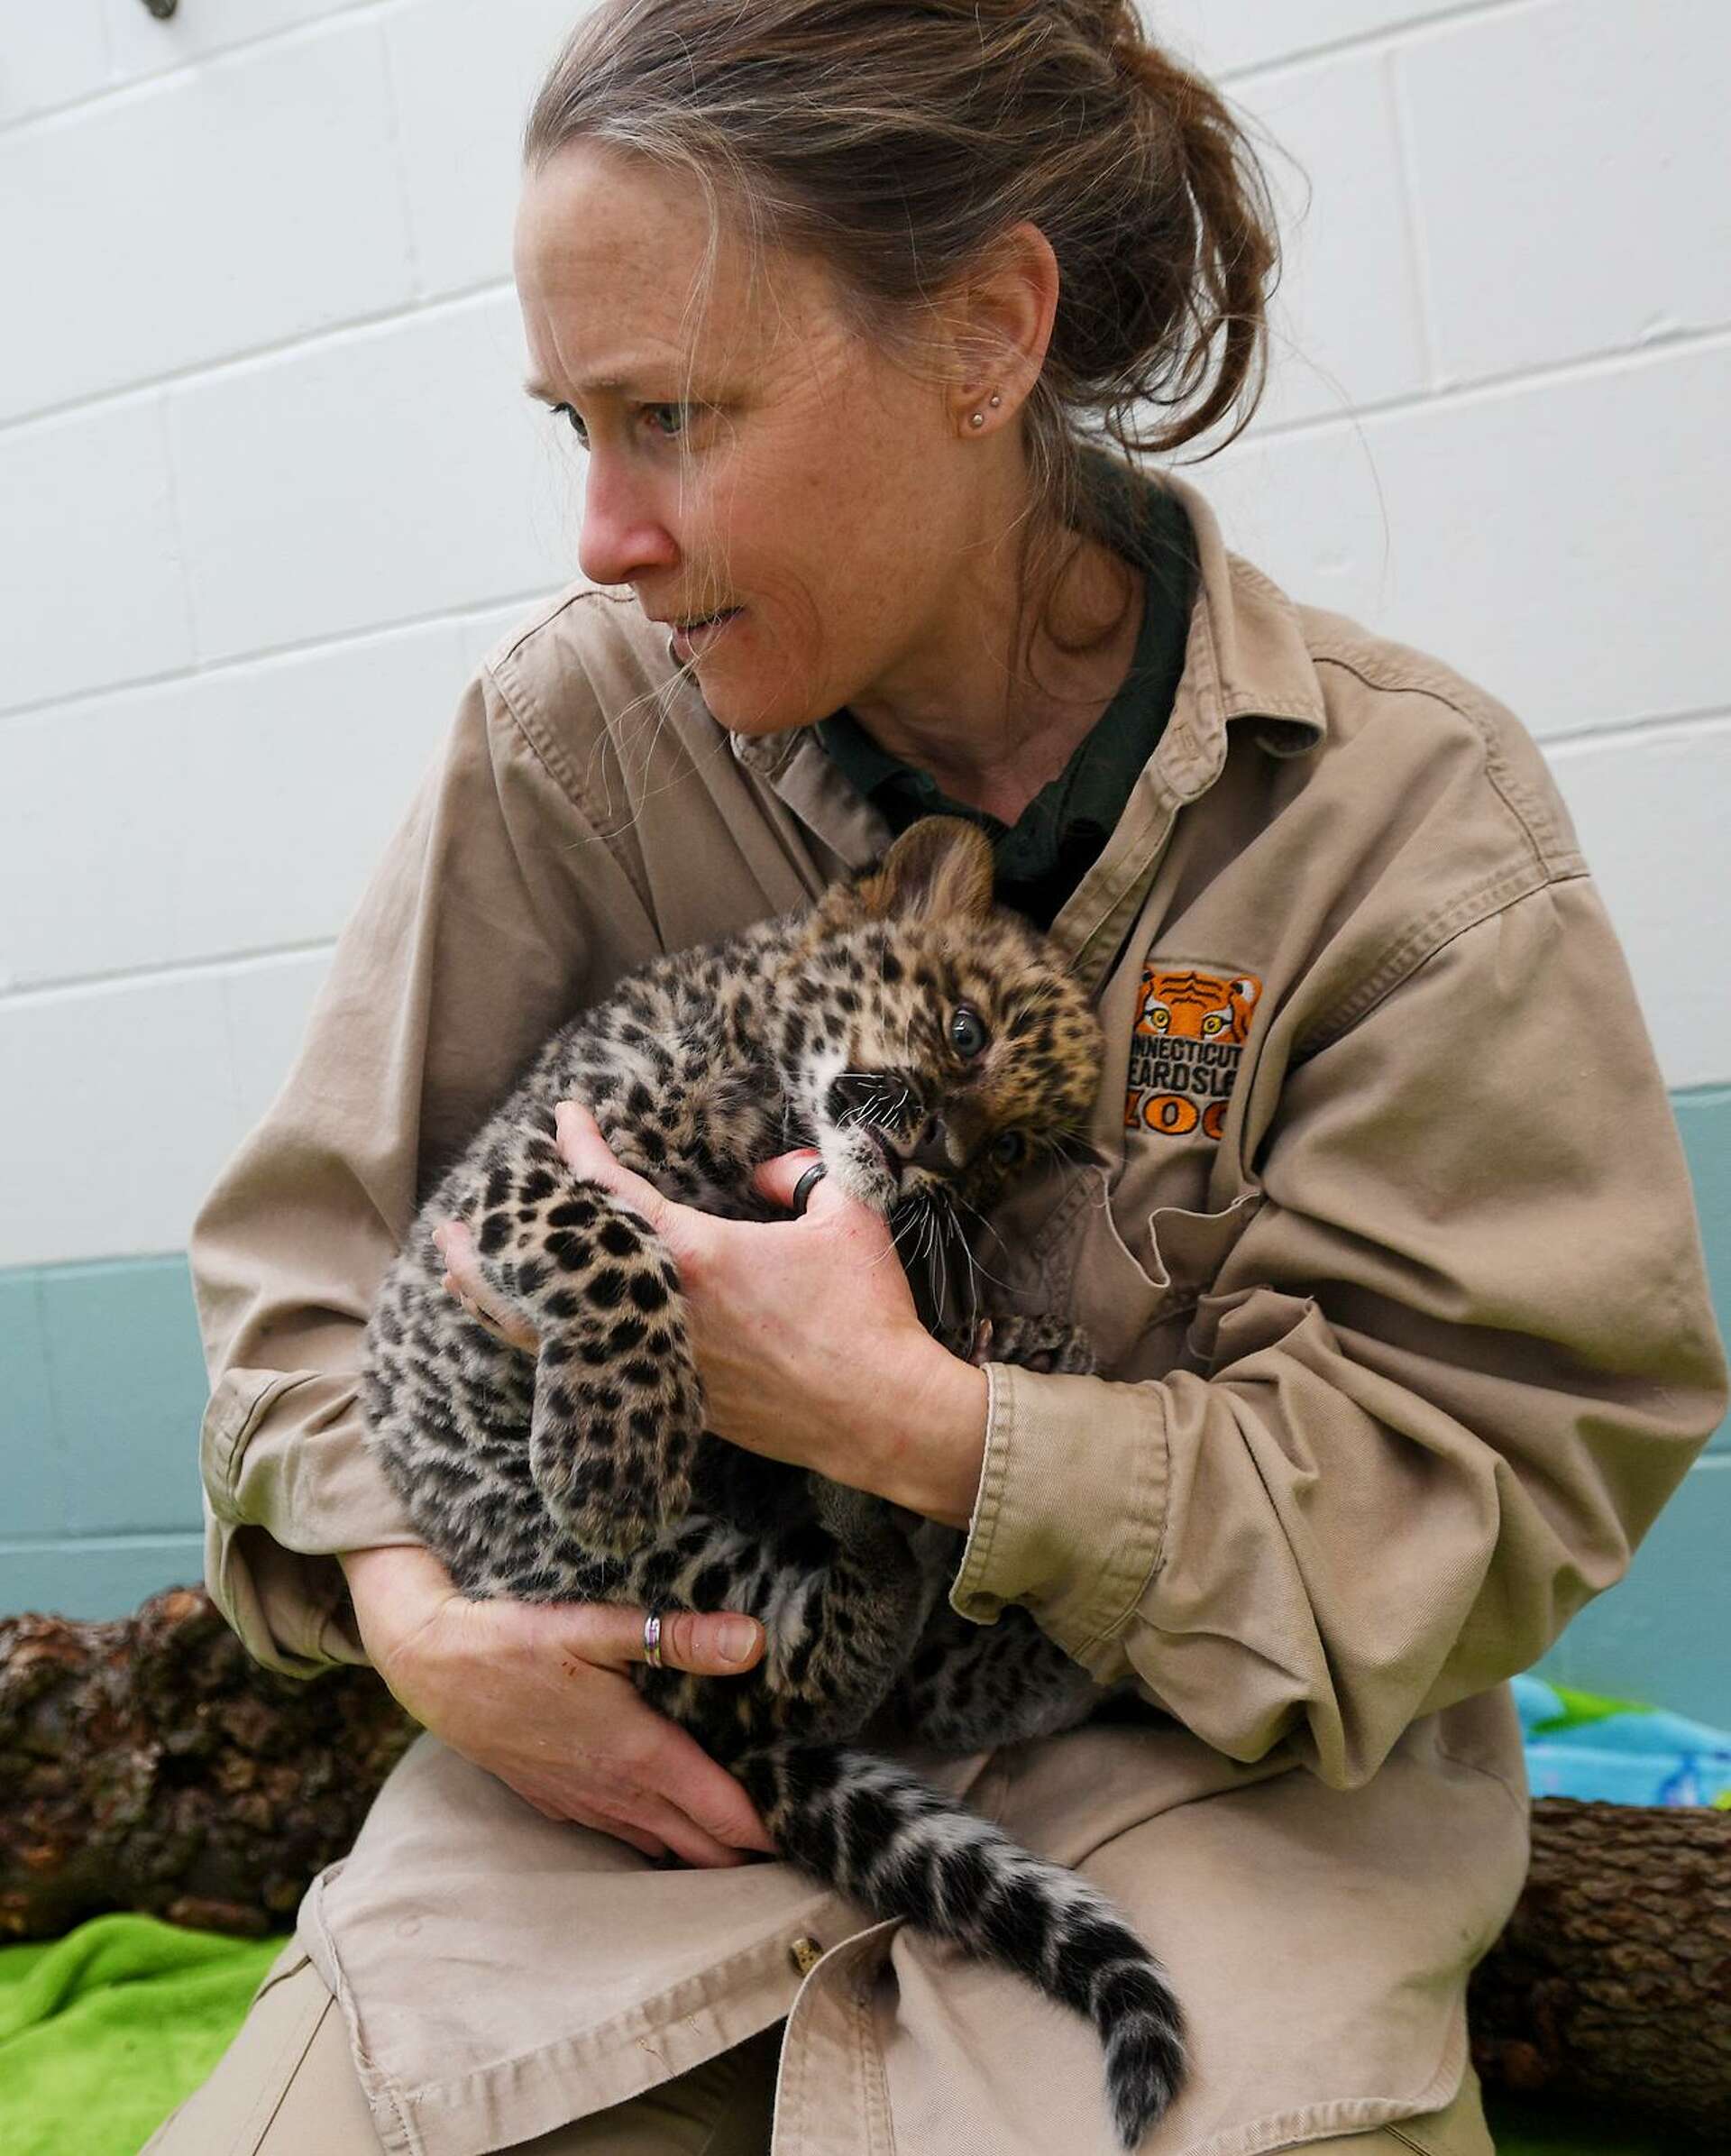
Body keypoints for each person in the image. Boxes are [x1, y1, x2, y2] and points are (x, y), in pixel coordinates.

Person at [151, 4, 1726, 2152]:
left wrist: (932, 1430)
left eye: (674, 416)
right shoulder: (566, 752)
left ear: (987, 335)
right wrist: (414, 1607)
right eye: (574, 426)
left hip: (1199, 1800)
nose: (605, 528)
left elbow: (1496, 1472)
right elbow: (300, 1287)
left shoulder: (1405, 827)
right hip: (635, 1768)